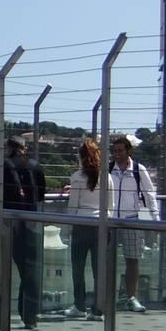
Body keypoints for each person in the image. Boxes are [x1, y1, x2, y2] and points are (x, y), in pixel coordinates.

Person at [0, 136, 46, 329]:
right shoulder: (36, 166)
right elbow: (42, 194)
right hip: (31, 224)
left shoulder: (3, 166)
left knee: (1, 272)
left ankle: (0, 317)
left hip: (7, 225)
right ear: (24, 148)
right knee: (30, 272)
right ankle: (30, 316)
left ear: (9, 148)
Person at [109, 133, 158, 313]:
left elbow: (149, 194)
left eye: (120, 150)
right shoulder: (107, 169)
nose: (117, 154)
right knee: (107, 260)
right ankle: (108, 296)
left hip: (131, 218)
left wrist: (155, 219)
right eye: (115, 151)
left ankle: (131, 297)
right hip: (110, 219)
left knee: (133, 260)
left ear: (129, 151)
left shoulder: (139, 169)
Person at [62, 137, 105, 319]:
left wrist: (65, 231)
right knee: (99, 270)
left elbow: (73, 207)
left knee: (78, 268)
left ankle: (79, 305)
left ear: (80, 157)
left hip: (81, 225)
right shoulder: (106, 177)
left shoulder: (77, 178)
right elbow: (109, 206)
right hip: (100, 227)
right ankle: (98, 308)